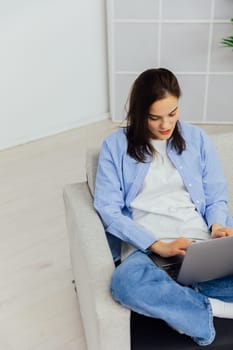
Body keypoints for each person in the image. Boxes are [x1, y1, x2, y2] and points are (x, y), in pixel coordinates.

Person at [94, 68, 233, 346]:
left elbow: (217, 195)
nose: (166, 125)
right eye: (155, 117)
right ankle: (208, 311)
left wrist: (217, 226)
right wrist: (157, 245)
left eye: (173, 113)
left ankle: (182, 299)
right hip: (150, 251)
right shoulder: (114, 147)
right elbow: (107, 208)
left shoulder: (197, 140)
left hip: (199, 243)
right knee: (124, 283)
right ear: (138, 112)